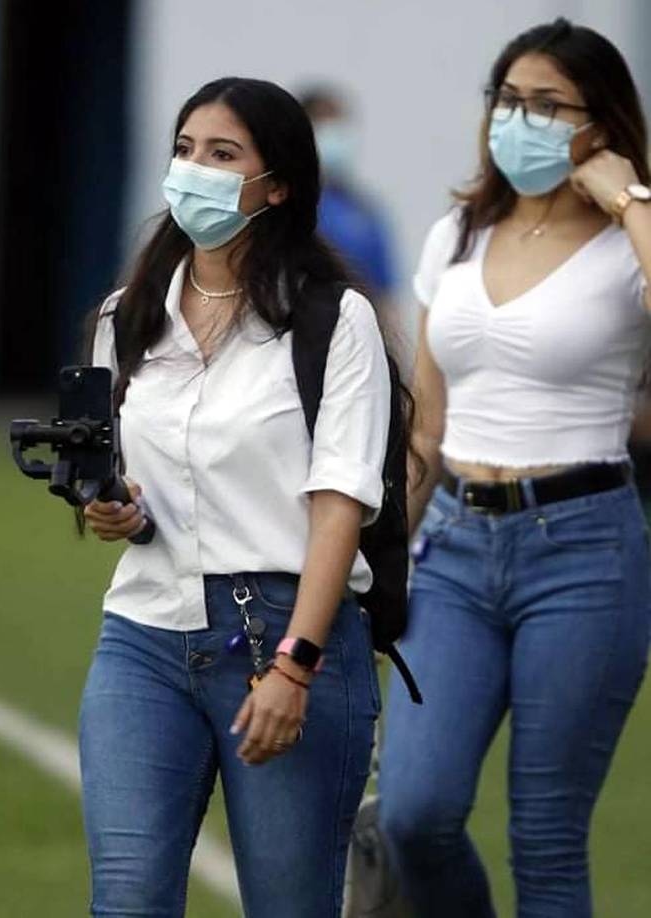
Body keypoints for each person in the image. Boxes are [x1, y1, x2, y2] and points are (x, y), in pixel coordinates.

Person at [80, 76, 390, 918]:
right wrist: (117, 509)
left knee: (289, 905)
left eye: (222, 155)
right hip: (143, 636)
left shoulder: (335, 320)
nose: (194, 171)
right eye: (184, 150)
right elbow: (133, 475)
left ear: (277, 185)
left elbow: (340, 505)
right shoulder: (127, 316)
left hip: (282, 634)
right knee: (127, 900)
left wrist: (296, 663)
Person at [379, 18, 651, 918]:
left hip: (583, 551)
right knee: (415, 814)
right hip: (454, 547)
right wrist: (379, 554)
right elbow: (426, 427)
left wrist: (630, 201)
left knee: (546, 836)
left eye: (547, 104)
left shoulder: (630, 239)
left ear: (599, 123)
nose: (518, 119)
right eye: (507, 99)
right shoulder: (458, 231)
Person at [300, 86, 397, 310]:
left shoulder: (363, 209)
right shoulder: (287, 207)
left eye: (340, 126)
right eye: (326, 126)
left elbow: (386, 295)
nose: (337, 138)